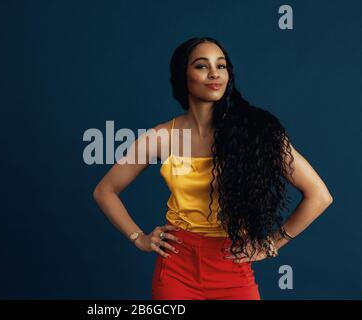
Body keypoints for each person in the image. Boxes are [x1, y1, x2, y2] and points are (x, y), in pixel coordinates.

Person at [93, 37, 333, 300]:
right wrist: (139, 237)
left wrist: (271, 245)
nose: (214, 73)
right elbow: (105, 191)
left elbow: (319, 195)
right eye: (201, 66)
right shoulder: (161, 137)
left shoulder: (256, 133)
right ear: (182, 75)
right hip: (176, 269)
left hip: (232, 265)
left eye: (221, 65)